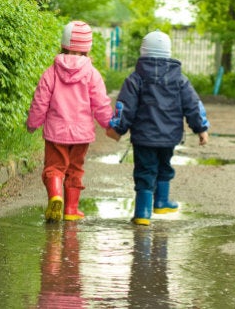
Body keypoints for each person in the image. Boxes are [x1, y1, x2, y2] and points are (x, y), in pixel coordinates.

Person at [106, 30, 210, 226]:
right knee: (164, 166)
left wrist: (117, 129)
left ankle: (143, 214)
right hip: (169, 137)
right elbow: (193, 105)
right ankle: (161, 201)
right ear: (168, 53)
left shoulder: (135, 79)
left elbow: (124, 106)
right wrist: (201, 128)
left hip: (144, 138)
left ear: (143, 51)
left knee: (145, 171)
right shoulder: (180, 80)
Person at [26, 20, 114, 223]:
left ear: (63, 45)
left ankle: (55, 196)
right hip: (81, 135)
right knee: (75, 170)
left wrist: (33, 123)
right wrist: (108, 124)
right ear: (87, 48)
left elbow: (40, 101)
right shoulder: (92, 74)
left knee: (54, 168)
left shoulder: (51, 72)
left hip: (56, 133)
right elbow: (101, 103)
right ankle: (71, 209)